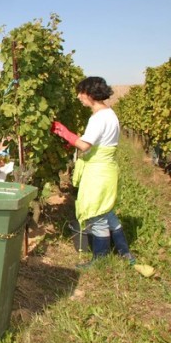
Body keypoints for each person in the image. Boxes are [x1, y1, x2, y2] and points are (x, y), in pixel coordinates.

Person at [51, 76, 135, 266]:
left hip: (98, 173)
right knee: (107, 212)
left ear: (90, 94)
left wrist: (64, 132)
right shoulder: (109, 114)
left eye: (81, 93)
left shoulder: (99, 118)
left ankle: (100, 259)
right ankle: (124, 253)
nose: (79, 97)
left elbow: (84, 145)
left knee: (96, 214)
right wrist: (71, 141)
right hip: (106, 170)